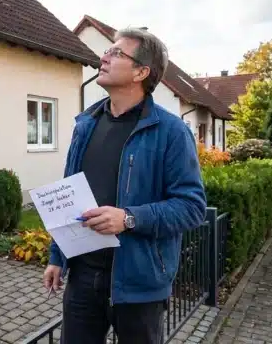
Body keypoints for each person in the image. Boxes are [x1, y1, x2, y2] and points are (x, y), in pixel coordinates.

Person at [43, 27, 207, 344]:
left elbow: (192, 207)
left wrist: (128, 218)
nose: (104, 57)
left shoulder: (171, 131)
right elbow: (69, 194)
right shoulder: (86, 125)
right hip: (83, 278)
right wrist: (56, 256)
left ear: (141, 72)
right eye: (108, 51)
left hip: (139, 285)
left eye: (117, 53)